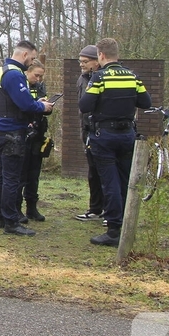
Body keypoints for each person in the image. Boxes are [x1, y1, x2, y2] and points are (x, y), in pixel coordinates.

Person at [79, 38, 152, 246]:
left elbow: (84, 105)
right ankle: (126, 225)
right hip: (127, 135)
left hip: (104, 136)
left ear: (101, 55)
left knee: (109, 182)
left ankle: (113, 230)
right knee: (124, 181)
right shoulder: (132, 76)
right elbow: (146, 102)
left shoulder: (99, 78)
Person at [0, 40, 54, 236]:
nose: (33, 62)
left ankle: (0, 217)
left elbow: (15, 100)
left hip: (1, 130)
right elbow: (25, 104)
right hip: (12, 132)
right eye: (32, 58)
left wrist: (34, 102)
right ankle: (11, 221)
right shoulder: (14, 74)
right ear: (25, 55)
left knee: (2, 176)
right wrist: (42, 106)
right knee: (12, 178)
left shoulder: (3, 70)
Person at [17, 59, 51, 222]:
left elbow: (46, 110)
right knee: (21, 174)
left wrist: (46, 106)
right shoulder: (20, 86)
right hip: (24, 134)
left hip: (38, 133)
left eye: (41, 76)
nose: (38, 79)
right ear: (27, 72)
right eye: (36, 75)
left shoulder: (40, 86)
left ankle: (32, 208)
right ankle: (17, 209)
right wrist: (36, 105)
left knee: (34, 174)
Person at [74, 44, 104, 222]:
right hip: (87, 130)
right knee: (93, 172)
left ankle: (109, 209)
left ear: (97, 61)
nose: (82, 65)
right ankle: (95, 208)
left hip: (101, 131)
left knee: (105, 172)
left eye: (85, 61)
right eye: (80, 61)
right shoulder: (82, 79)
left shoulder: (101, 78)